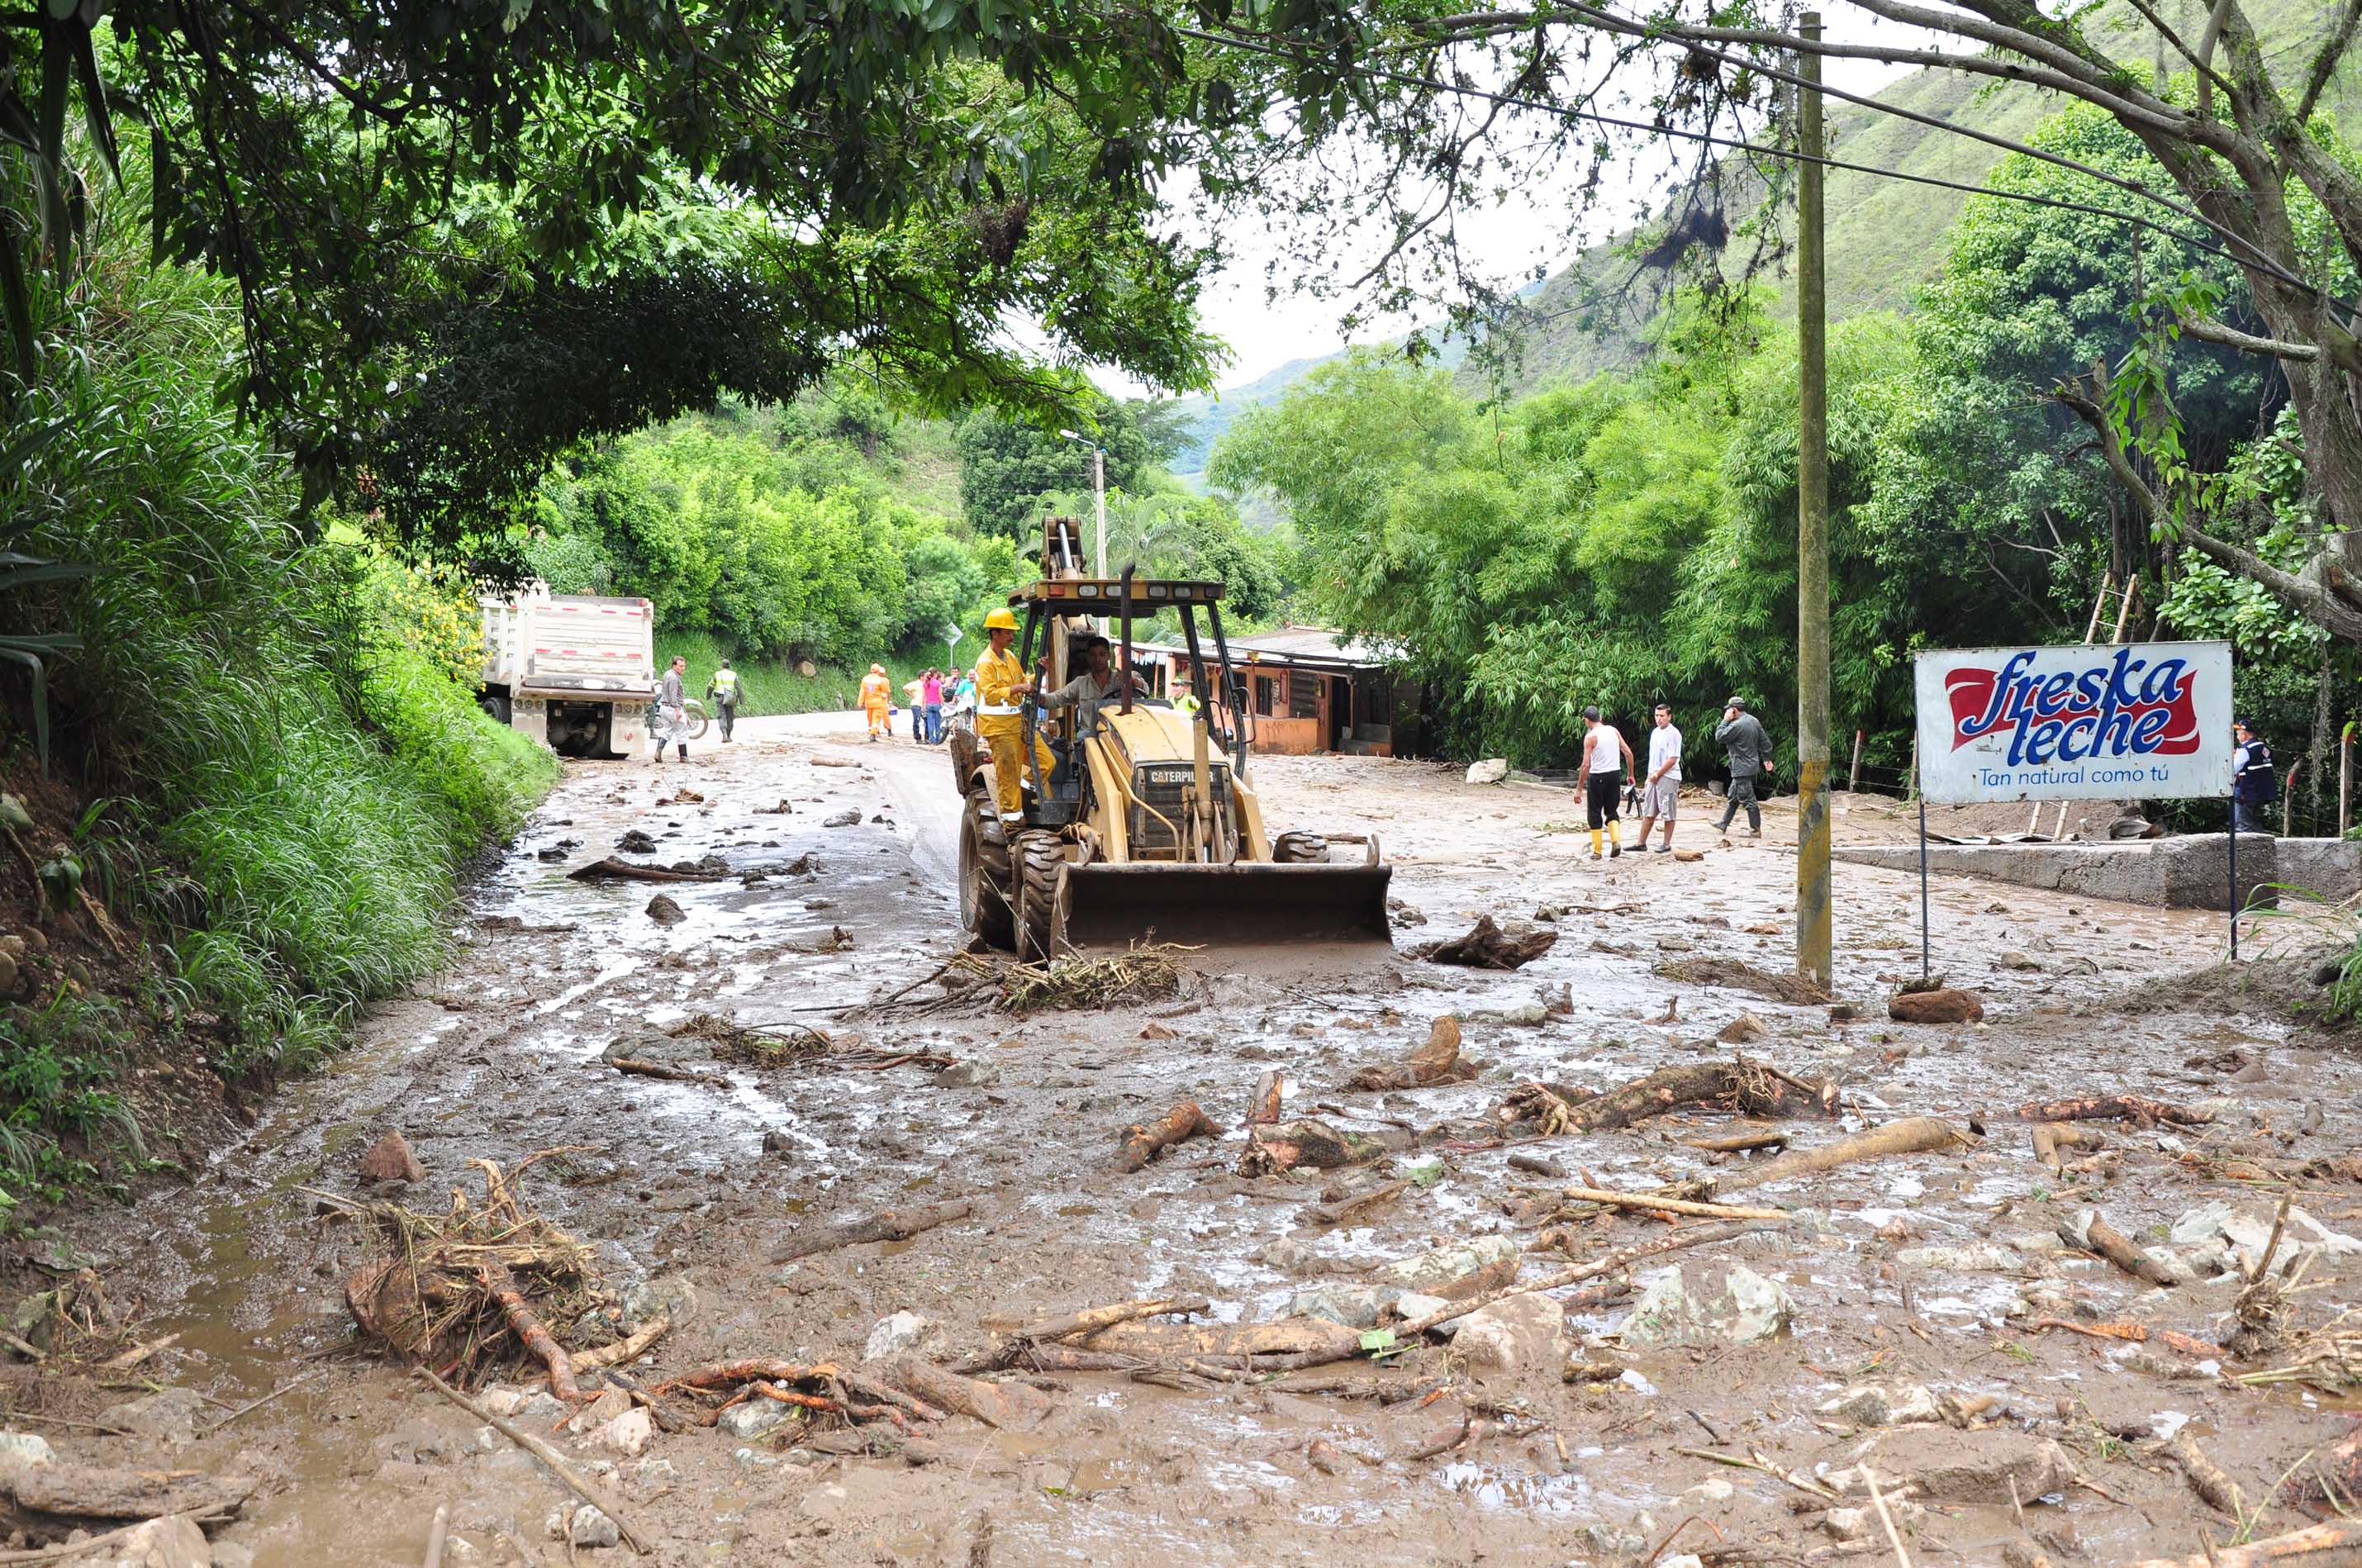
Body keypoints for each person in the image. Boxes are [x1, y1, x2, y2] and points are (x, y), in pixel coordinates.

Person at [976, 608, 1053, 825]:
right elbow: (990, 694)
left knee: (1047, 762)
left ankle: (1022, 792)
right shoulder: (986, 663)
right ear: (995, 634)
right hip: (999, 729)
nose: (1012, 636)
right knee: (1008, 775)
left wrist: (1040, 673)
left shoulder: (1009, 657)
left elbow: (1023, 680)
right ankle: (1012, 824)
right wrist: (1019, 687)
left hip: (1019, 724)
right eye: (1008, 632)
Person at [1040, 634, 1143, 736]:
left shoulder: (1122, 678)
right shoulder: (1081, 683)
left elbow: (1143, 689)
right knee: (1083, 736)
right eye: (1093, 655)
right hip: (1089, 739)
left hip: (1116, 737)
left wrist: (1129, 679)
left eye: (1101, 654)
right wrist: (1034, 694)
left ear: (1108, 656)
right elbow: (1054, 699)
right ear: (1088, 658)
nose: (1097, 659)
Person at [1580, 705, 1637, 860]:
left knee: (1594, 813)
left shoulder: (1590, 737)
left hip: (1597, 777)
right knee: (1612, 811)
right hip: (1614, 775)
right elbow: (1629, 753)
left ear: (1587, 720)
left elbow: (1586, 765)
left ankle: (1597, 851)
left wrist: (1579, 789)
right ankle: (1616, 841)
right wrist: (1631, 774)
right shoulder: (1613, 731)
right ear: (1600, 717)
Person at [1714, 696, 1772, 836]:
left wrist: (1725, 720)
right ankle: (1723, 824)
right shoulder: (1754, 720)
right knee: (1733, 797)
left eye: (1728, 710)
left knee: (1748, 798)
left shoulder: (1736, 725)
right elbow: (1765, 742)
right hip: (1750, 765)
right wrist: (1766, 759)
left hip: (1741, 767)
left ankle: (1755, 829)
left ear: (1733, 710)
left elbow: (1720, 736)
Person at [1635, 701, 1682, 853]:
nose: (1659, 718)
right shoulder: (1655, 732)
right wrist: (1650, 775)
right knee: (1649, 810)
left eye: (1662, 716)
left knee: (1668, 810)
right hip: (1653, 775)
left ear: (1669, 717)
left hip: (1668, 776)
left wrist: (1658, 774)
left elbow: (1673, 758)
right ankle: (1641, 843)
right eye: (1656, 715)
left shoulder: (1673, 733)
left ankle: (1666, 844)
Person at [2232, 719, 2278, 834]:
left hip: (2246, 793)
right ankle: (2264, 846)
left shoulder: (2245, 750)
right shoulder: (2264, 747)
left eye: (2238, 733)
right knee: (2253, 822)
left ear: (2245, 734)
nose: (2237, 736)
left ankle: (2246, 851)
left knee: (2243, 826)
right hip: (2261, 793)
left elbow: (2234, 768)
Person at [652, 655, 690, 764]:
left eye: (684, 666)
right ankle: (684, 756)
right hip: (672, 708)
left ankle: (658, 752)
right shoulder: (674, 678)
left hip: (664, 707)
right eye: (681, 666)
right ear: (674, 666)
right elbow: (674, 696)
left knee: (666, 731)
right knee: (681, 731)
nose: (683, 668)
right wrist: (677, 710)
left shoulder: (667, 674)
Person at [706, 658, 739, 744]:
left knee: (721, 716)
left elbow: (710, 686)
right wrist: (742, 700)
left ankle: (724, 735)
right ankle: (729, 735)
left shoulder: (717, 674)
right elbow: (739, 688)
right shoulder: (733, 674)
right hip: (730, 698)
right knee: (730, 717)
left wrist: (708, 696)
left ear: (722, 665)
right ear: (729, 665)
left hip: (720, 698)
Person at [858, 663, 891, 742]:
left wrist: (860, 702)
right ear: (878, 671)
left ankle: (871, 732)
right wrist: (887, 696)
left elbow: (862, 691)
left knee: (870, 719)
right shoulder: (880, 680)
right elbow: (886, 690)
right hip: (878, 703)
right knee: (876, 719)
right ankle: (873, 735)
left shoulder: (865, 679)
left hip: (868, 703)